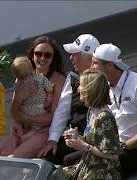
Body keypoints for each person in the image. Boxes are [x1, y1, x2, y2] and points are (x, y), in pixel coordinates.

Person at [91, 43, 137, 178]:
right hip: (119, 146)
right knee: (74, 159)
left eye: (95, 63)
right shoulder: (105, 85)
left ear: (109, 65)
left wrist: (122, 148)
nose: (91, 67)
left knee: (98, 166)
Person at [38, 34, 100, 166]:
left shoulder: (103, 80)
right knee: (46, 159)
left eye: (75, 54)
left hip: (94, 141)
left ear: (88, 57)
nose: (71, 58)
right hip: (73, 137)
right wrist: (53, 140)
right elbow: (62, 109)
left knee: (68, 162)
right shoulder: (73, 77)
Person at [0, 36, 66, 158]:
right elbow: (14, 112)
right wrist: (19, 98)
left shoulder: (59, 80)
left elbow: (52, 118)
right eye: (38, 54)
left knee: (13, 159)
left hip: (43, 132)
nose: (42, 58)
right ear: (32, 56)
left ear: (53, 58)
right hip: (21, 129)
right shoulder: (23, 75)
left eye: (47, 55)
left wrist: (24, 117)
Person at [63, 69, 121, 180]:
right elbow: (96, 140)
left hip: (101, 171)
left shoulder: (104, 117)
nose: (78, 88)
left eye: (81, 85)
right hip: (88, 164)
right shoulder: (92, 110)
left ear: (91, 89)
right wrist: (78, 138)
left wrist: (84, 146)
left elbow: (113, 154)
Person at [0, 56, 53, 155]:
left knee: (10, 155)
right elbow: (50, 88)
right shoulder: (40, 78)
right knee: (4, 153)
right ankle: (27, 133)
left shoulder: (18, 84)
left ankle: (23, 133)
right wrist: (49, 94)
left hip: (28, 114)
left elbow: (16, 113)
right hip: (38, 110)